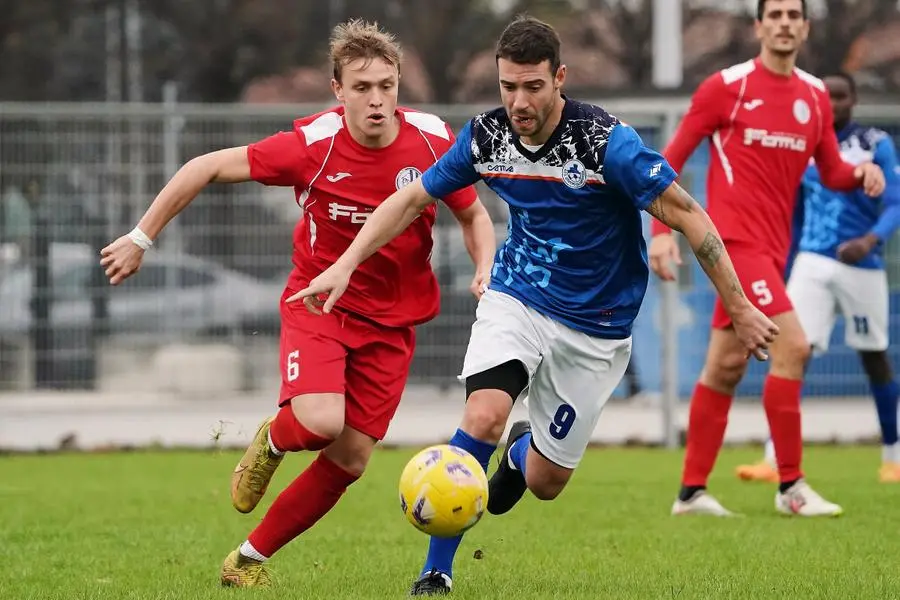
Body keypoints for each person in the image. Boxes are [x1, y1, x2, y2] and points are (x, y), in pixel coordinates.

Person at [293, 15, 778, 595]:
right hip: (517, 297)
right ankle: (435, 571)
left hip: (597, 327)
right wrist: (344, 264)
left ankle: (522, 457)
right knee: (482, 416)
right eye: (507, 87)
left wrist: (742, 307)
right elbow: (412, 198)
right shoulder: (487, 138)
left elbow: (690, 217)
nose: (518, 101)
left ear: (560, 79)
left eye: (532, 87)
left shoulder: (604, 144)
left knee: (547, 481)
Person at [99, 19, 496, 588]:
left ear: (400, 84)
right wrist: (141, 238)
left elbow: (473, 214)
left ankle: (247, 562)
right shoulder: (312, 145)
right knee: (317, 423)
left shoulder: (434, 140)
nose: (377, 99)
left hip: (394, 323)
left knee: (351, 460)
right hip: (320, 306)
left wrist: (482, 265)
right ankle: (274, 437)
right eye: (362, 88)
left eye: (387, 85)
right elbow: (205, 166)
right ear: (338, 91)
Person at [648, 0, 886, 517]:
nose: (782, 22)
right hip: (732, 244)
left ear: (804, 27)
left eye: (791, 15)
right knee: (793, 346)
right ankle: (792, 487)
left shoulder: (815, 95)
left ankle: (690, 494)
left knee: (725, 366)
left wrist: (861, 174)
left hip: (774, 250)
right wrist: (660, 231)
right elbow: (669, 160)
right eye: (773, 14)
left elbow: (831, 169)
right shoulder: (725, 87)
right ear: (758, 26)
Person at [736, 72, 900, 484]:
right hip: (811, 261)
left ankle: (892, 455)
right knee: (791, 350)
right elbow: (791, 208)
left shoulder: (875, 143)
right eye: (828, 97)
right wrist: (781, 261)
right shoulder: (804, 141)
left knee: (874, 357)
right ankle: (774, 460)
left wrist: (869, 240)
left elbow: (895, 203)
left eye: (843, 96)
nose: (835, 103)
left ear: (855, 99)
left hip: (862, 265)